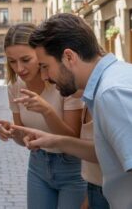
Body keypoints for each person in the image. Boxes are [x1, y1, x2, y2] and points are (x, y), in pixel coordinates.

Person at [27, 12, 132, 208]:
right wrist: (54, 140)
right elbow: (109, 154)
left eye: (45, 66)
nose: (45, 76)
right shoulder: (112, 80)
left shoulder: (111, 93)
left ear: (69, 57)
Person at [0, 23, 86, 209]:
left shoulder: (63, 82)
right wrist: (13, 133)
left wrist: (47, 111)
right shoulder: (15, 87)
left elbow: (72, 138)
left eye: (25, 59)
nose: (19, 68)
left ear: (40, 53)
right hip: (38, 165)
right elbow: (24, 140)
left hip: (72, 167)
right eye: (12, 61)